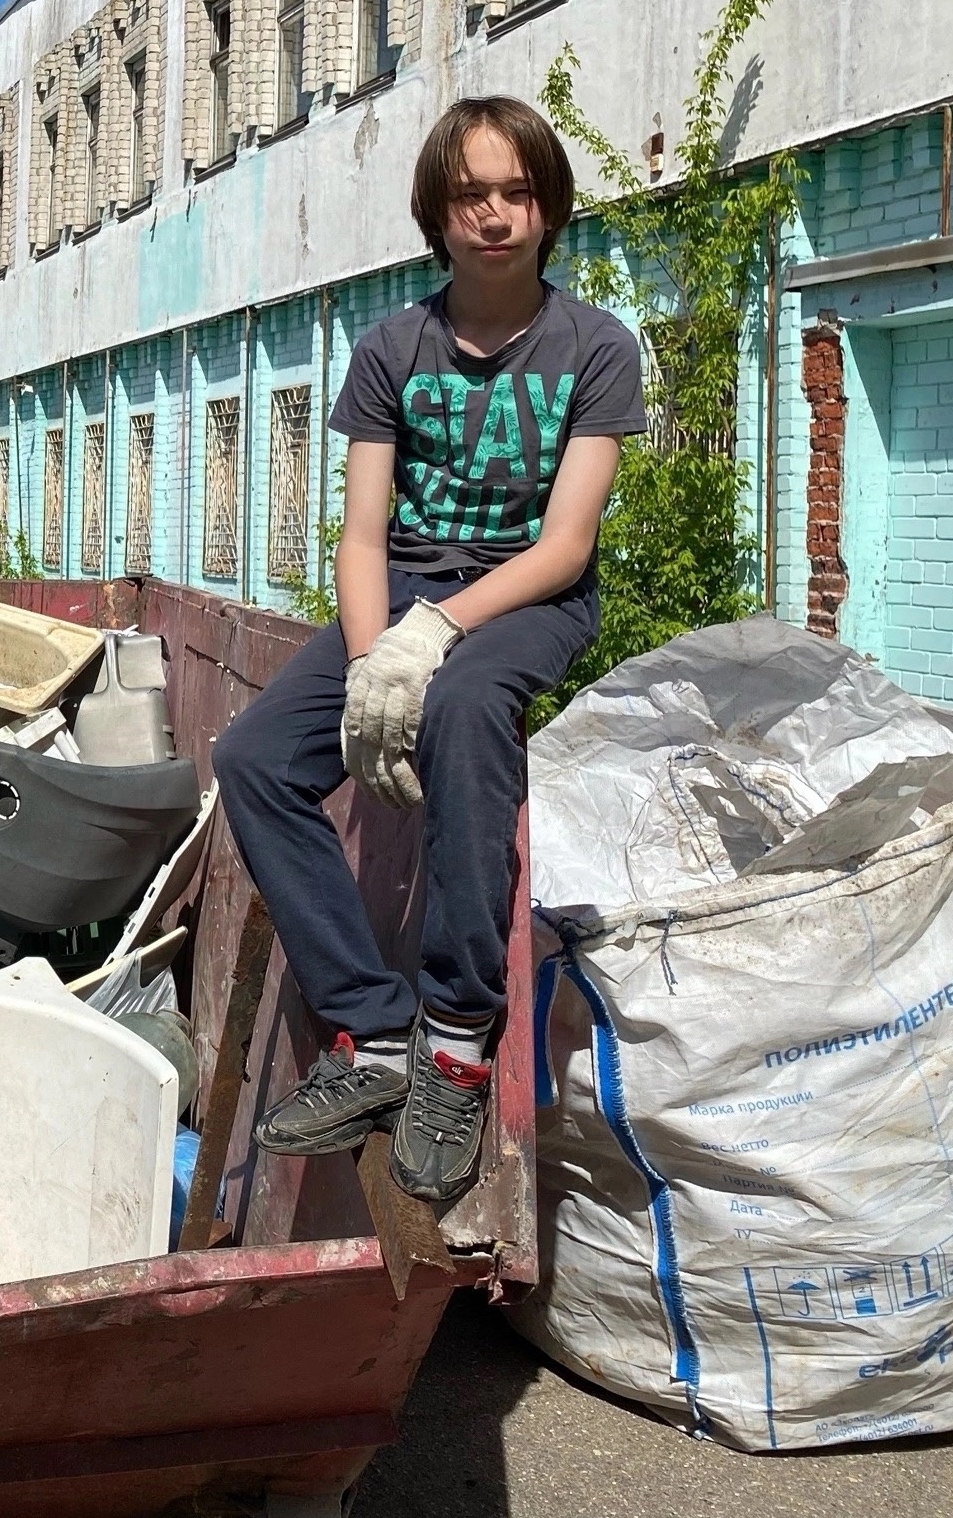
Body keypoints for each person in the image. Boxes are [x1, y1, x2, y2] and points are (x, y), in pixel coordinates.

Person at [210, 96, 644, 1209]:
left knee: (460, 714)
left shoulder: (594, 347)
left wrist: (438, 638)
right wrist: (370, 667)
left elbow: (566, 545)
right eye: (469, 195)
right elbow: (360, 534)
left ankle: (455, 1041)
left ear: (547, 207)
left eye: (516, 192)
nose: (494, 215)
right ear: (435, 215)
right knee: (256, 758)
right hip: (399, 592)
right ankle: (376, 1033)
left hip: (525, 602)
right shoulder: (389, 346)